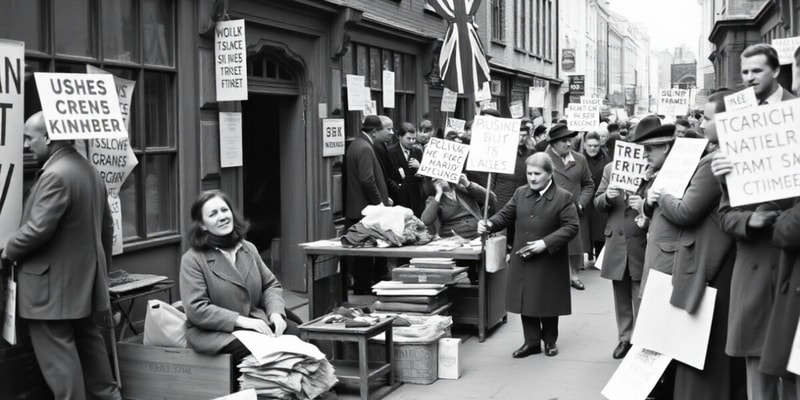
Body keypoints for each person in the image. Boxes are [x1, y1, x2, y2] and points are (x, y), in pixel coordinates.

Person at [1, 112, 121, 399]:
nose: (27, 144)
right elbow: (106, 228)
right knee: (92, 349)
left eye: (30, 138)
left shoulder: (55, 174)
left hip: (49, 290)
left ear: (49, 137)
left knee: (59, 362)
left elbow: (38, 229)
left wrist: (8, 249)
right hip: (84, 284)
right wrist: (101, 272)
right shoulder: (89, 169)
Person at [711, 48, 799, 397]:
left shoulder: (795, 112)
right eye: (744, 71)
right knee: (756, 369)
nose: (748, 78)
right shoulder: (736, 121)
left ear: (776, 70)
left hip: (792, 263)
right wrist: (750, 218)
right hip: (753, 263)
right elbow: (724, 214)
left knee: (794, 366)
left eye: (757, 71)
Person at [647, 100, 746, 400]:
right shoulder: (729, 155)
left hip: (709, 264)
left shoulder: (713, 161)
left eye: (707, 118)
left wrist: (663, 196)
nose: (701, 124)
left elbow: (687, 211)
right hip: (725, 259)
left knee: (703, 345)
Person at [180, 190, 301, 364]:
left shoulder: (248, 248)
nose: (222, 217)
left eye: (224, 210)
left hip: (257, 321)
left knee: (295, 334)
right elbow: (197, 309)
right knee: (264, 350)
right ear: (202, 225)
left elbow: (270, 285)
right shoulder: (193, 260)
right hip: (217, 333)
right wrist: (240, 321)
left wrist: (275, 313)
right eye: (213, 214)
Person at [477, 153, 579, 358]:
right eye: (529, 173)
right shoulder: (520, 193)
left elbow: (572, 227)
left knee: (548, 299)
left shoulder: (563, 197)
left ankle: (550, 341)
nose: (532, 178)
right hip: (523, 255)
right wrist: (489, 223)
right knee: (526, 299)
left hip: (549, 256)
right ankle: (531, 342)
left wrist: (545, 243)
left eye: (537, 174)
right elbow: (506, 216)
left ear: (549, 174)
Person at [594, 152, 647, 360]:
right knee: (621, 293)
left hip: (640, 240)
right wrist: (607, 196)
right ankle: (625, 337)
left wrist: (643, 204)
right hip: (617, 241)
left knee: (640, 293)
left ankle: (641, 339)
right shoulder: (610, 169)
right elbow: (597, 203)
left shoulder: (649, 170)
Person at [344, 115, 392, 293]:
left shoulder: (356, 144)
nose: (389, 133)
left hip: (359, 207)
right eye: (384, 130)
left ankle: (363, 285)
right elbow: (366, 180)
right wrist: (379, 202)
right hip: (364, 210)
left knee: (363, 252)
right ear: (374, 131)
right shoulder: (364, 147)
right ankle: (363, 287)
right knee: (364, 253)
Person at [545, 124, 595, 290]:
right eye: (564, 141)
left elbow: (588, 184)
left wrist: (581, 203)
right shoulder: (543, 159)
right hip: (551, 211)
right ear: (553, 143)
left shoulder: (579, 159)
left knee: (575, 245)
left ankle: (574, 275)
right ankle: (556, 276)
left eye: (570, 140)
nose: (569, 144)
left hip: (574, 210)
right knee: (554, 244)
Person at [420, 175, 495, 239]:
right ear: (431, 184)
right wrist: (438, 194)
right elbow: (426, 220)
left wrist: (467, 183)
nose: (439, 181)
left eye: (441, 177)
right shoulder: (433, 199)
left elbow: (491, 199)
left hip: (477, 232)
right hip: (453, 236)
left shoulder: (462, 189)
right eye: (435, 180)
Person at [581, 131, 611, 268]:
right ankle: (583, 257)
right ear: (585, 145)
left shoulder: (607, 159)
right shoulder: (579, 159)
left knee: (600, 229)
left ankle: (599, 257)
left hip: (599, 197)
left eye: (596, 146)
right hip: (584, 198)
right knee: (584, 230)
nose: (593, 148)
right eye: (590, 145)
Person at [387, 122, 425, 216]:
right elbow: (387, 176)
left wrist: (420, 168)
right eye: (408, 138)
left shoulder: (418, 152)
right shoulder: (390, 152)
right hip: (399, 199)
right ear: (399, 137)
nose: (412, 141)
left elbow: (425, 174)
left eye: (414, 139)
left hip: (416, 199)